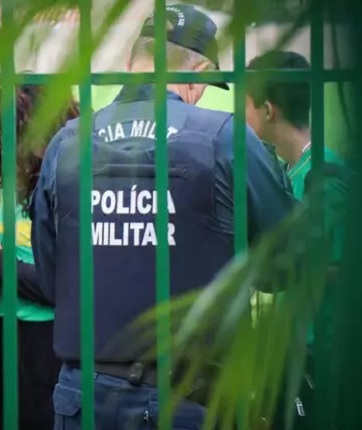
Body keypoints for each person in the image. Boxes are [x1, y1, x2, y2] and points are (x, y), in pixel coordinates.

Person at [30, 4, 296, 429]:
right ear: (199, 72)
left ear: (130, 61)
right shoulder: (225, 138)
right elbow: (287, 262)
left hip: (82, 398)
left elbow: (51, 278)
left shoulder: (67, 143)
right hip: (186, 400)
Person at [245, 50, 350, 429]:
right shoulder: (292, 172)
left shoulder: (326, 177)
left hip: (320, 358)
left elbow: (335, 267)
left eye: (244, 104)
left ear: (267, 110)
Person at [0, 84, 80, 430]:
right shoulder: (19, 184)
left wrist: (0, 265)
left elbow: (68, 282)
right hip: (6, 332)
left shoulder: (70, 184)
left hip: (46, 340)